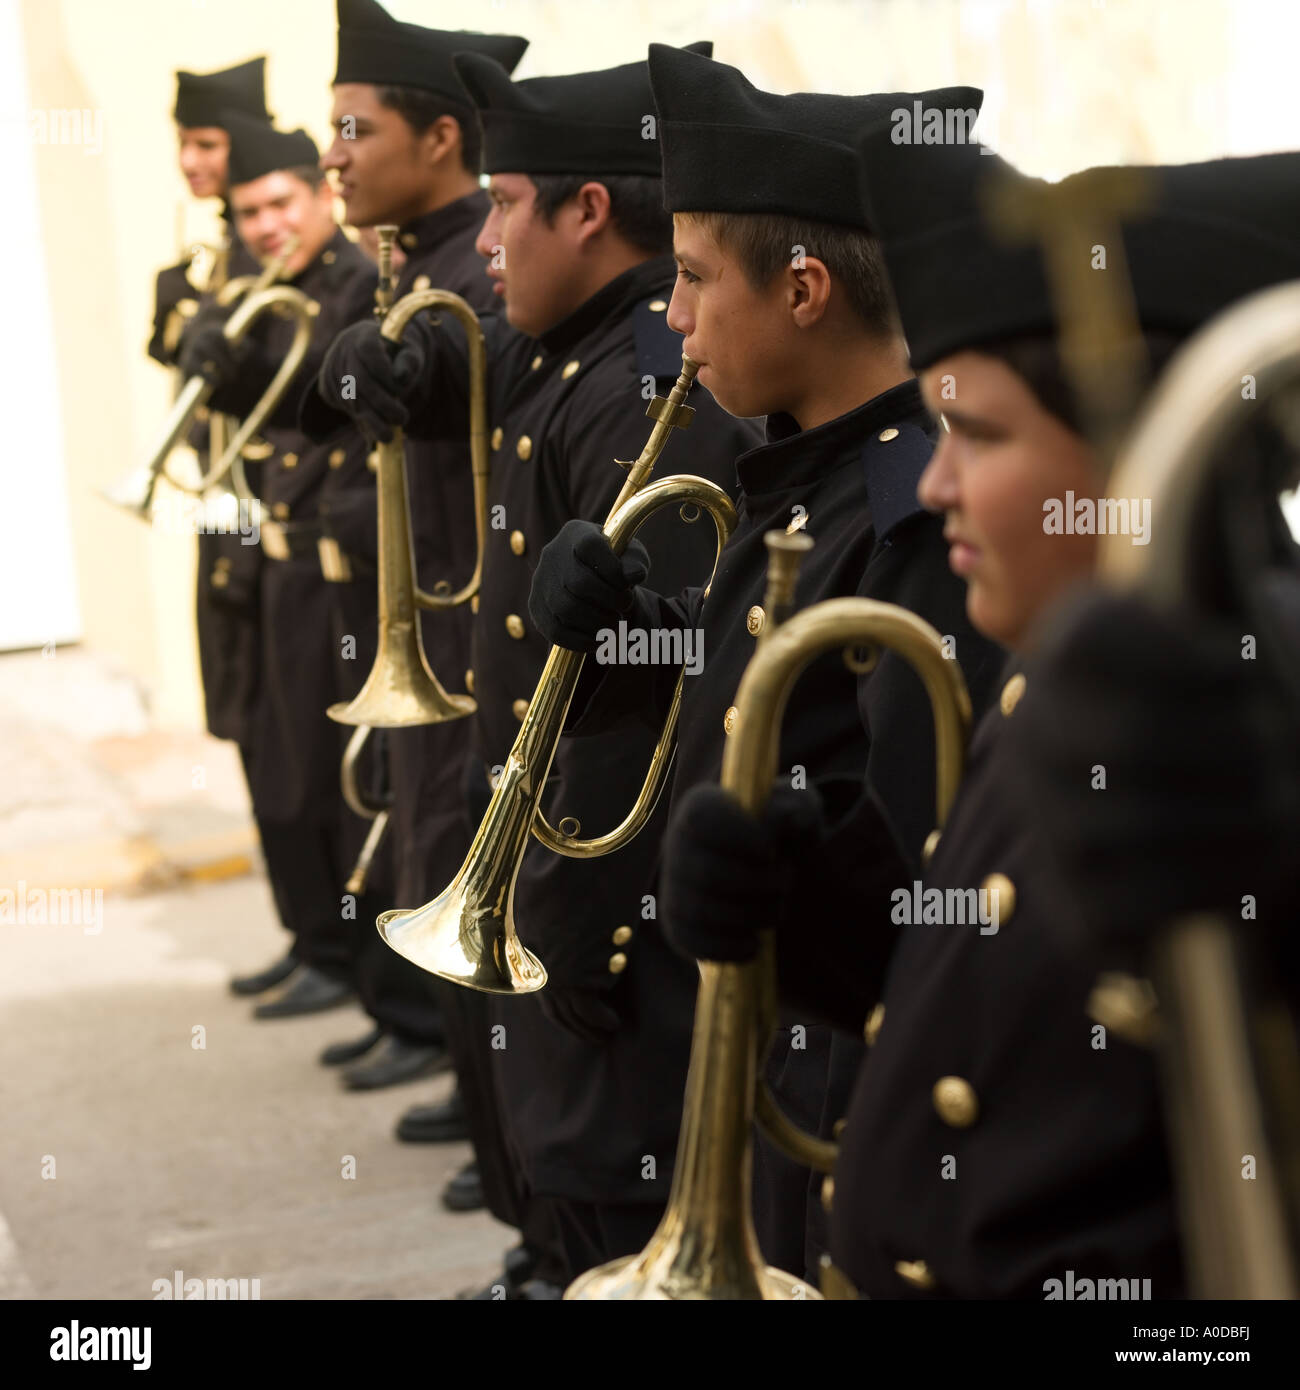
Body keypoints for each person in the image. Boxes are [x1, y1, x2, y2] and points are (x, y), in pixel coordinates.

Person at [657, 131, 1300, 1297]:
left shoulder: (1243, 726)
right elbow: (1010, 1036)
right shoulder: (1045, 674)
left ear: (1140, 456)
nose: (937, 482)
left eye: (981, 433)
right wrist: (814, 921)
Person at [525, 44, 1003, 1282]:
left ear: (803, 291)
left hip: (841, 1106)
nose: (671, 317)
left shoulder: (915, 520)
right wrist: (629, 645)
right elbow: (755, 705)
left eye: (689, 278)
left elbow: (921, 891)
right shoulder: (799, 470)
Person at [309, 40, 757, 1288]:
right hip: (533, 825)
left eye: (507, 207)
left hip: (596, 862)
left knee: (604, 1155)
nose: (487, 241)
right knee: (550, 1140)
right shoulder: (550, 346)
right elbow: (431, 359)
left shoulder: (640, 388)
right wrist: (357, 360)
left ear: (589, 210)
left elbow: (675, 675)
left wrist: (582, 915)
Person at [308, 0, 530, 1114]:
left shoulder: (479, 265)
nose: (330, 156)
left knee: (455, 855)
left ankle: (498, 1124)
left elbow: (460, 369)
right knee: (421, 851)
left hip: (468, 638)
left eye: (355, 129)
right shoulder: (396, 265)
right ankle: (473, 1091)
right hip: (424, 632)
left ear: (439, 139)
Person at [177, 114, 379, 1021]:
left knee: (340, 782)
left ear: (317, 195)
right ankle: (319, 945)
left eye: (280, 203)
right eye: (249, 210)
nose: (265, 224)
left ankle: (369, 977)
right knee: (281, 767)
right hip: (262, 557)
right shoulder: (256, 285)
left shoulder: (356, 284)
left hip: (336, 568)